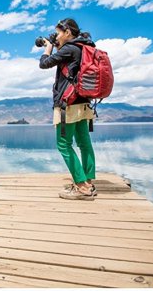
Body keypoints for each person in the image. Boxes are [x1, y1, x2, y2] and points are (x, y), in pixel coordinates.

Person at [39, 18, 97, 201]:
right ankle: (87, 182)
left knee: (63, 144)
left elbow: (44, 63)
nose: (56, 36)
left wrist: (47, 49)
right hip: (83, 102)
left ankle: (80, 187)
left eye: (58, 33)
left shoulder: (69, 49)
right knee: (83, 143)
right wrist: (57, 46)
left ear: (68, 33)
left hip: (69, 104)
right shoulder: (83, 47)